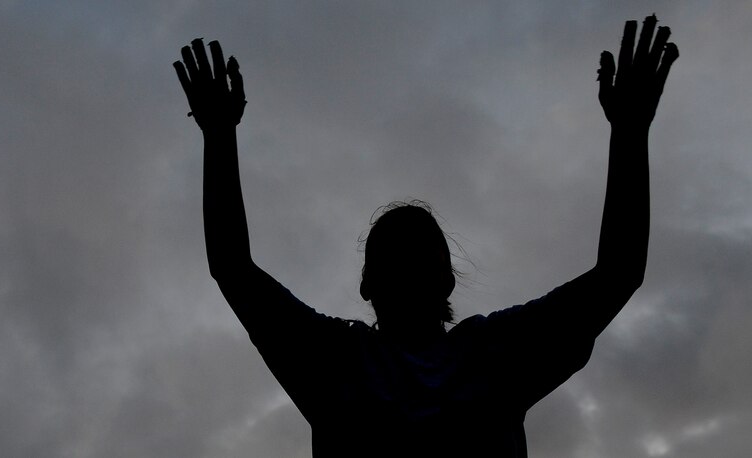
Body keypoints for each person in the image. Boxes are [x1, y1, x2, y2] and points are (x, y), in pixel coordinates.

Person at [174, 15, 678, 457]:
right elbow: (618, 272)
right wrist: (630, 129)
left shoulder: (461, 354)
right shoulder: (467, 355)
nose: (407, 264)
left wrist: (219, 134)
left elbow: (618, 273)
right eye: (397, 255)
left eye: (416, 254)